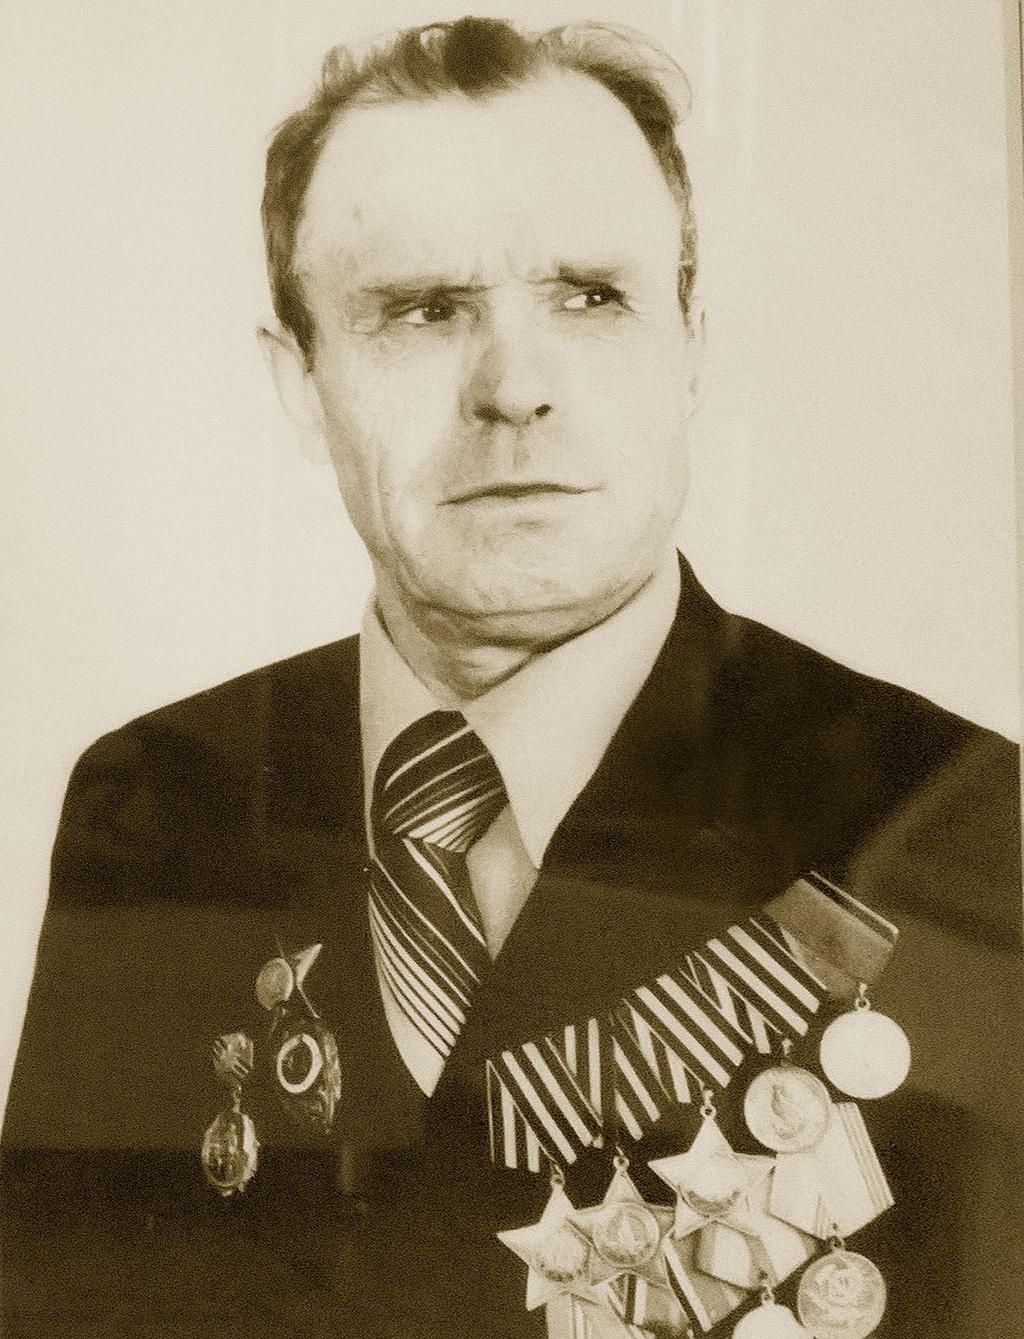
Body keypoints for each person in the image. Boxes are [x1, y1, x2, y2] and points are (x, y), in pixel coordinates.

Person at [2, 16, 1020, 1339]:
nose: (517, 388)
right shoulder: (158, 798)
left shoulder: (951, 818)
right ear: (302, 384)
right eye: (422, 312)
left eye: (590, 297)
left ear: (692, 348)